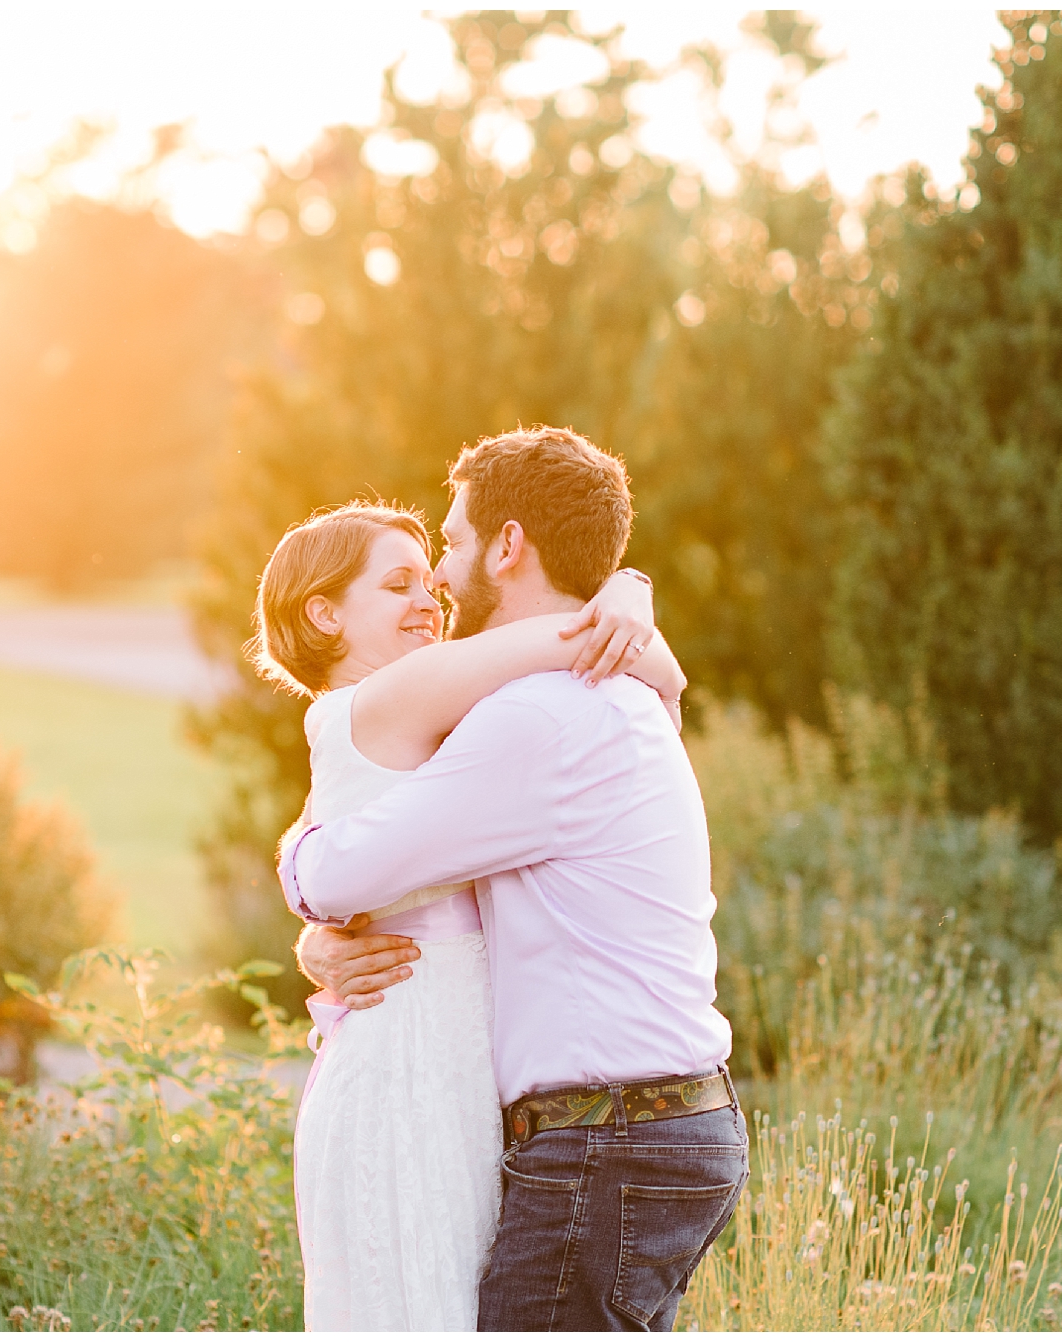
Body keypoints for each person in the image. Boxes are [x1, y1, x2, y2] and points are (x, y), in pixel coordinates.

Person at [285, 426, 746, 1332]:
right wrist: (627, 592)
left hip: (611, 1140)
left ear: (507, 546)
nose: (442, 582)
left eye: (450, 545)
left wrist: (305, 882)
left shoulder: (539, 719)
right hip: (651, 1127)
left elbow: (344, 867)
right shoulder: (603, 691)